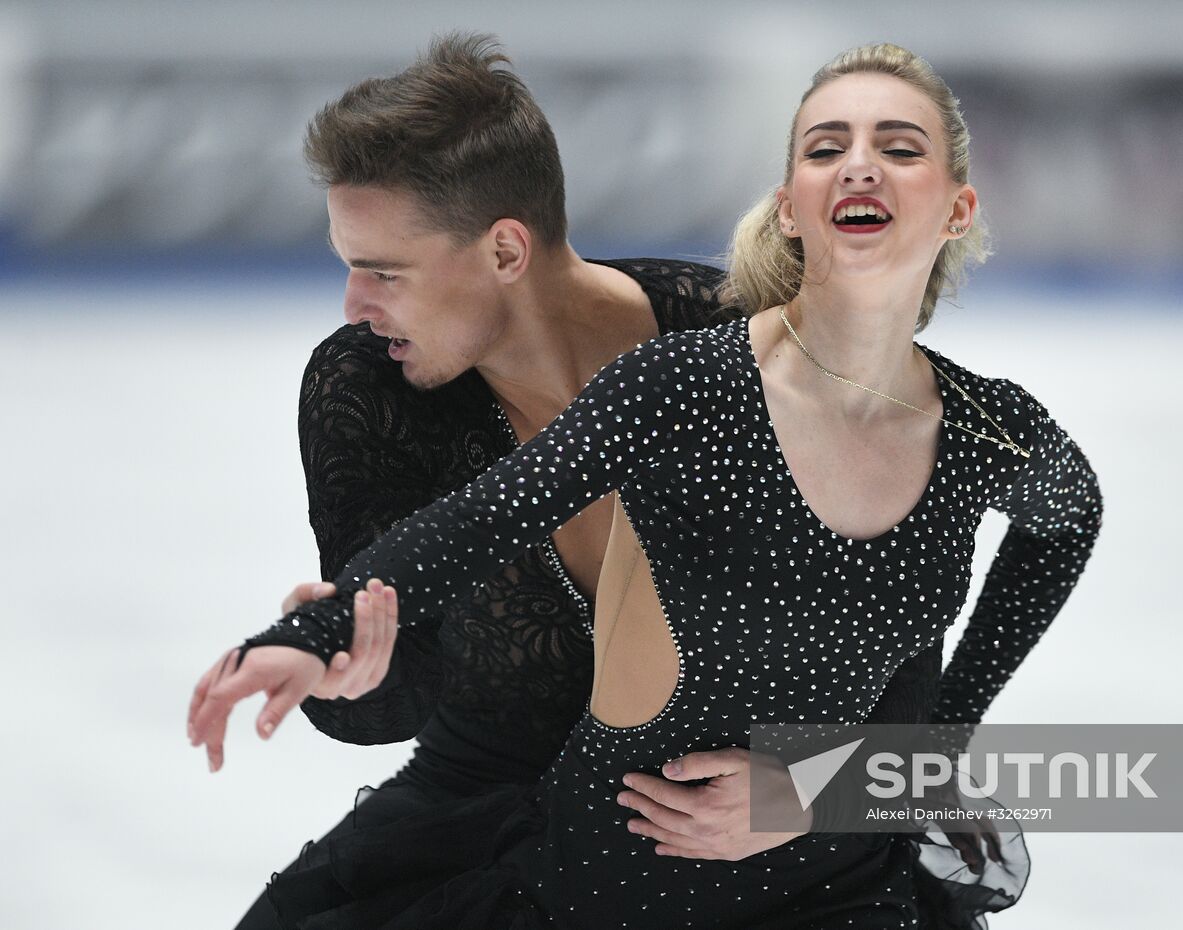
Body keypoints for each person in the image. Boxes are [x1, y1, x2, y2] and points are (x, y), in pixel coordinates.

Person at [185, 35, 1011, 930]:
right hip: (485, 822)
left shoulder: (745, 339)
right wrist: (348, 673)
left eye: (384, 271)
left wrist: (819, 787)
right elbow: (394, 691)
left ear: (505, 251)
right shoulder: (367, 391)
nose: (354, 303)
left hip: (747, 829)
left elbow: (892, 634)